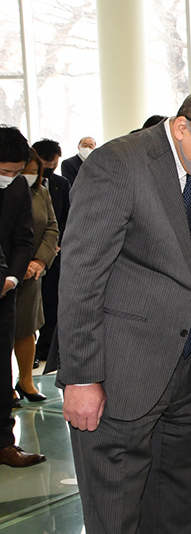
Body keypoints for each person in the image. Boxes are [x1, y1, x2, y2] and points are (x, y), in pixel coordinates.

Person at [56, 83, 191, 533]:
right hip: (119, 376)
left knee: (174, 509)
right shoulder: (118, 164)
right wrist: (83, 377)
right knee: (117, 515)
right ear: (183, 127)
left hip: (187, 376)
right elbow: (82, 278)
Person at [0, 126, 43, 468]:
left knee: (2, 369)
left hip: (4, 293)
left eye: (16, 171)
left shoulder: (17, 189)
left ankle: (4, 443)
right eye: (4, 170)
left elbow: (23, 238)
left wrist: (12, 278)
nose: (11, 177)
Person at [12, 149, 59, 403]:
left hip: (31, 274)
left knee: (26, 328)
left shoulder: (41, 192)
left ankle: (26, 382)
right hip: (9, 271)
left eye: (32, 173)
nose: (27, 177)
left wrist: (39, 260)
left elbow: (51, 227)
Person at [32, 138, 70, 364]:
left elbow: (65, 216)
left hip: (55, 254)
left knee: (52, 302)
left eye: (54, 164)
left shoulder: (60, 184)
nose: (50, 168)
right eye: (45, 163)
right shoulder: (22, 186)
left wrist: (58, 243)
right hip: (29, 255)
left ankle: (46, 348)